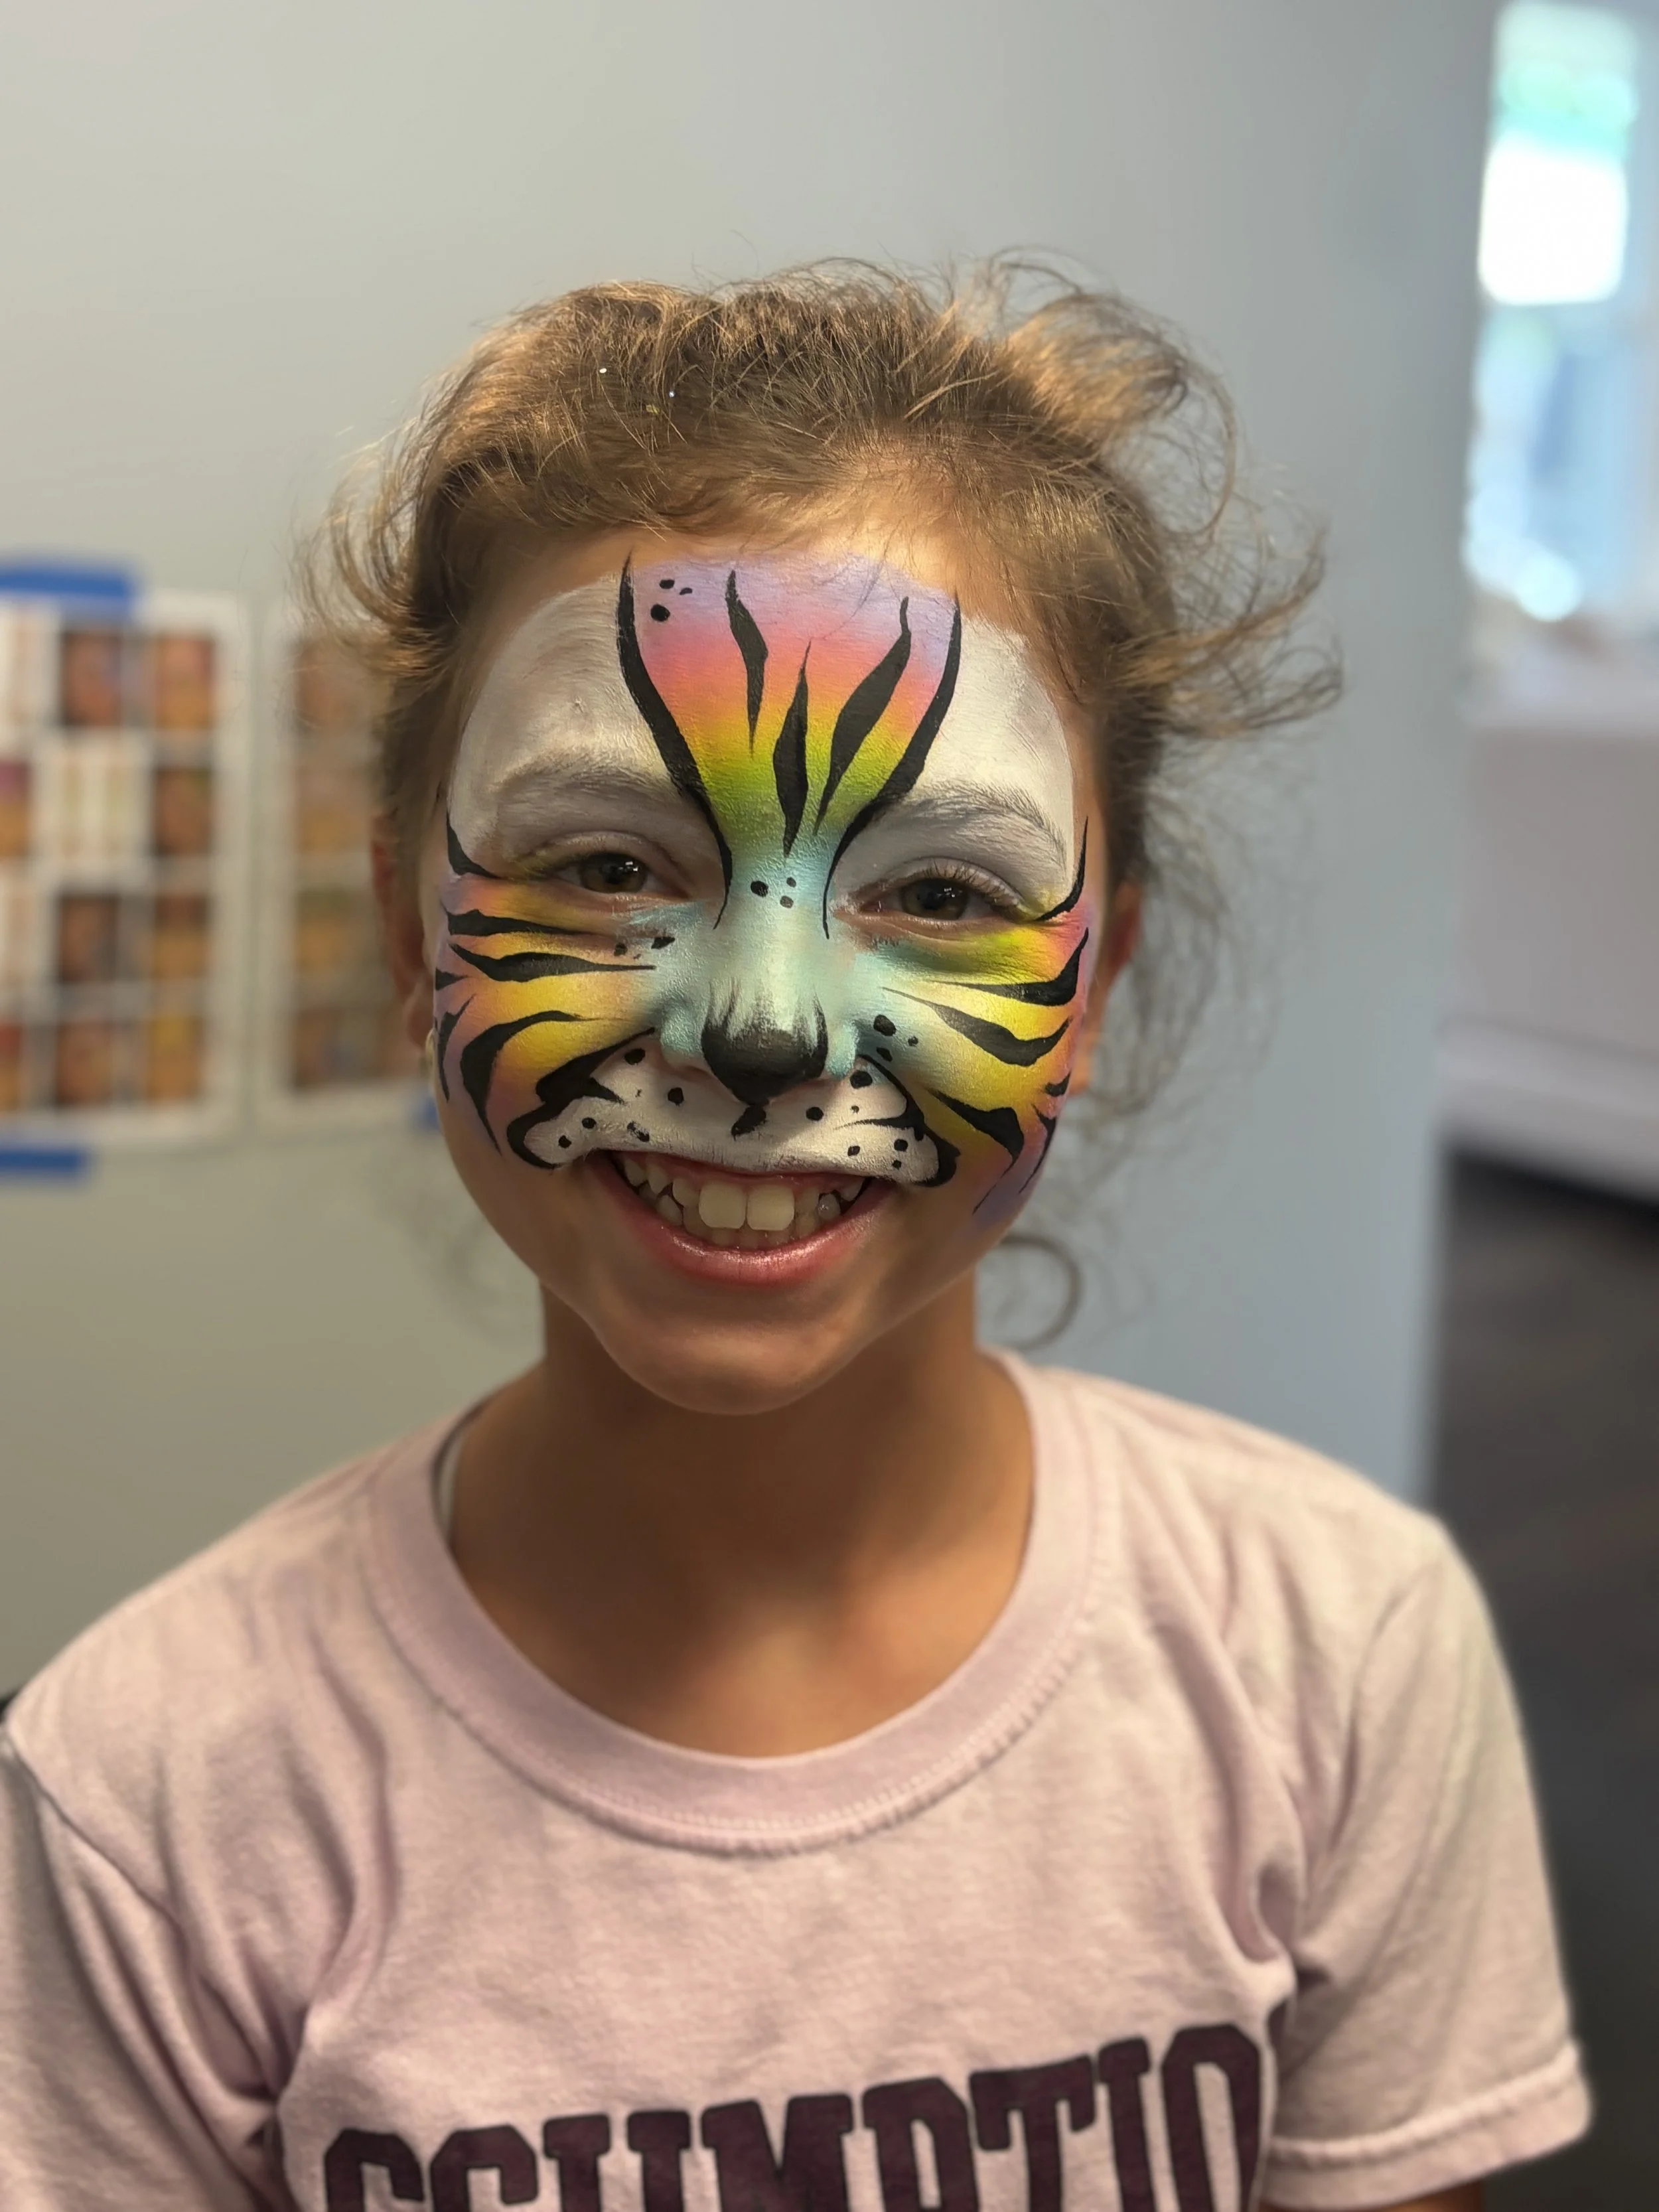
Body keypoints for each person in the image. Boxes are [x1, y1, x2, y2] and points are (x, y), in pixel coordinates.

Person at [0, 267, 1589, 2211]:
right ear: (414, 932)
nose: (759, 1024)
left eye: (935, 887)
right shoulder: (151, 1790)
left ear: (1093, 983)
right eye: (603, 862)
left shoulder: (1336, 1648)